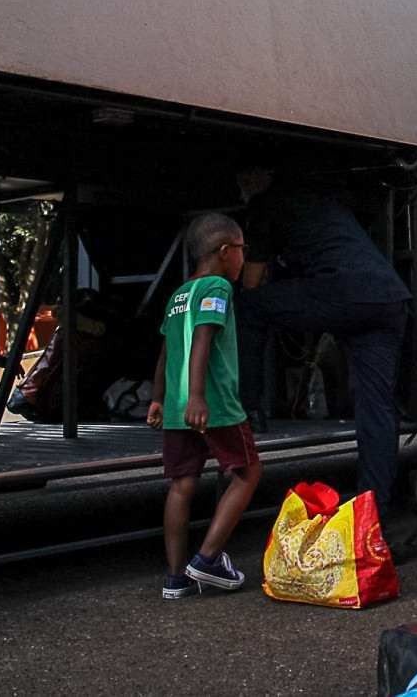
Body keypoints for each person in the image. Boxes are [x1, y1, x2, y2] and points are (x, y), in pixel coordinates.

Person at [236, 171, 410, 504]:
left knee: (248, 307)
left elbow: (252, 281)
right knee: (376, 409)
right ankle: (373, 514)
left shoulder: (265, 204)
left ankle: (248, 407)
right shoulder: (323, 201)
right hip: (387, 298)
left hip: (342, 293)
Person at [149, 212, 262, 599]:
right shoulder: (217, 287)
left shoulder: (179, 293)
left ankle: (175, 578)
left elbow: (166, 349)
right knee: (248, 472)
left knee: (182, 484)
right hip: (213, 403)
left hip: (179, 406)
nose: (244, 259)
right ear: (226, 251)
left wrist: (159, 397)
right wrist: (199, 395)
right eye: (243, 250)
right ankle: (208, 559)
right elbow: (203, 335)